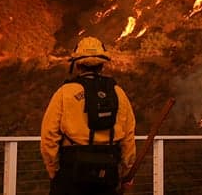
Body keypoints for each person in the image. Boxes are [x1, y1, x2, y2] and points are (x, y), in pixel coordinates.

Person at [41, 37, 136, 195]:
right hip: (108, 172)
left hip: (71, 173)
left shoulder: (65, 93)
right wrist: (127, 172)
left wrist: (54, 171)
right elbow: (128, 136)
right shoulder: (118, 93)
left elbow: (49, 136)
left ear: (77, 64)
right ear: (102, 65)